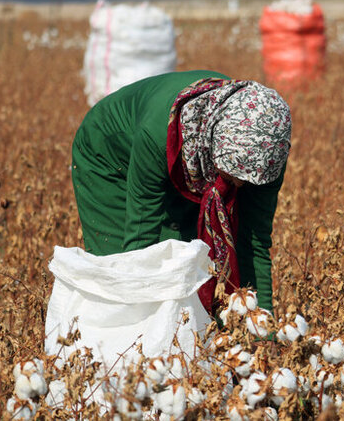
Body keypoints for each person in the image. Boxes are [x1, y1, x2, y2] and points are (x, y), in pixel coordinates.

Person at [71, 71, 291, 313]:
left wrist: (263, 325)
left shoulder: (267, 158)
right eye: (230, 176)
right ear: (212, 142)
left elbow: (254, 242)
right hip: (109, 157)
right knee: (120, 268)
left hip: (188, 162)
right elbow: (140, 238)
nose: (237, 187)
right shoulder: (158, 135)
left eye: (246, 181)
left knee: (190, 265)